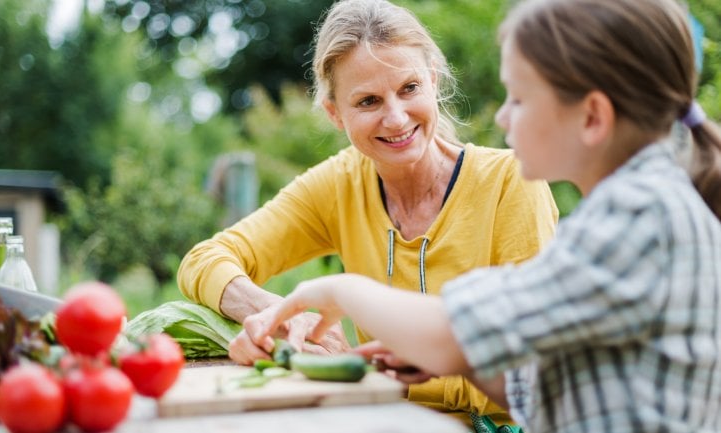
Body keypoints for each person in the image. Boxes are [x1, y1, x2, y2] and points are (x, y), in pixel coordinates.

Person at [244, 0, 721, 432]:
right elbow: (547, 383)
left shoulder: (636, 220)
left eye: (519, 99)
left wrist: (337, 291)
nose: (504, 118)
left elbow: (456, 330)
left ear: (592, 117)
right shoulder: (639, 205)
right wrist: (450, 364)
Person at [177, 0, 558, 426]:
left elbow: (533, 371)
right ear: (335, 113)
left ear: (433, 81)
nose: (395, 119)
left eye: (409, 88)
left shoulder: (511, 182)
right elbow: (204, 260)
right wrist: (277, 318)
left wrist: (372, 374)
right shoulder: (339, 184)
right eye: (368, 101)